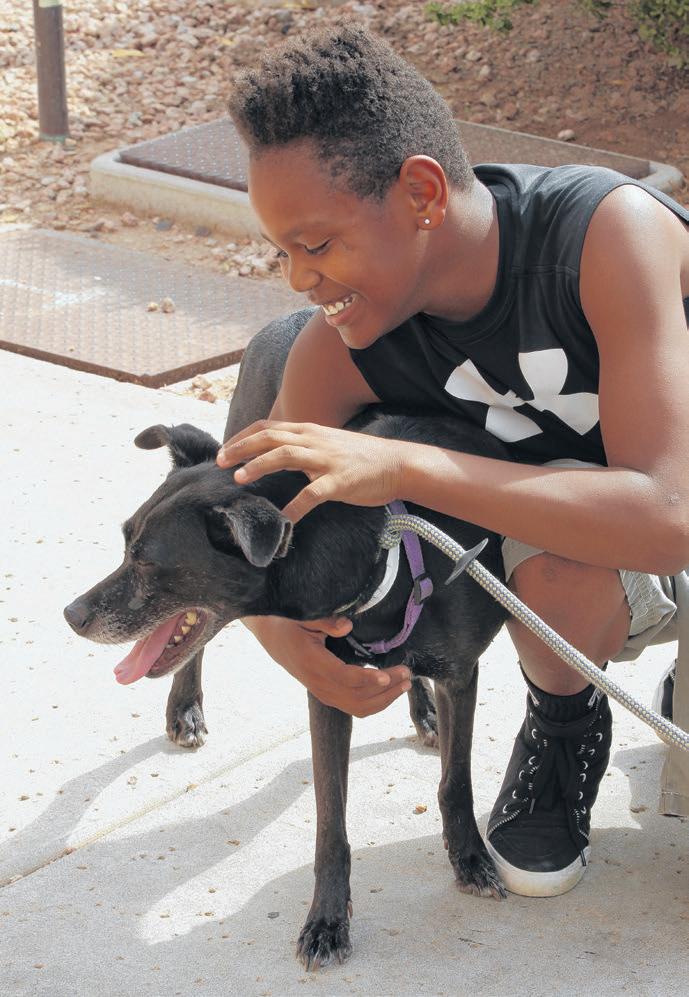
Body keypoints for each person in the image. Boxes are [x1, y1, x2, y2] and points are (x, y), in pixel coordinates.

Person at [215, 20, 689, 896]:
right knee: (551, 546)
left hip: (669, 514)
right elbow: (241, 529)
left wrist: (403, 467)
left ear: (421, 193)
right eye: (281, 252)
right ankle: (563, 720)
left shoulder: (602, 233)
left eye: (315, 245)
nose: (297, 279)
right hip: (607, 552)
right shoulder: (340, 347)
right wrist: (289, 643)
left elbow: (667, 518)